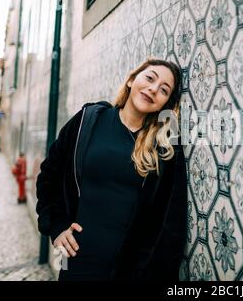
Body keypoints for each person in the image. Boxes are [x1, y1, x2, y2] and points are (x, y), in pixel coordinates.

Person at [35, 59, 188, 281]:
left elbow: (171, 218)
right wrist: (57, 225)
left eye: (164, 90)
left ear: (165, 104)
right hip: (77, 258)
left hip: (130, 270)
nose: (153, 89)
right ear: (131, 80)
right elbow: (50, 174)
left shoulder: (164, 147)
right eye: (150, 78)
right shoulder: (89, 120)